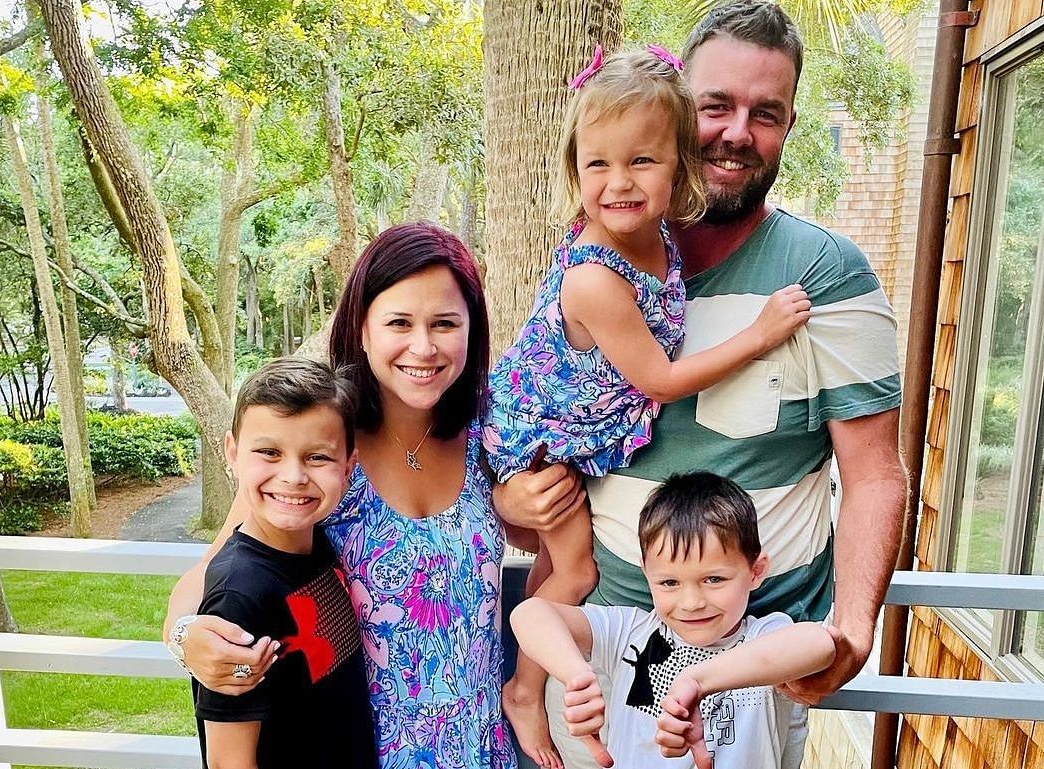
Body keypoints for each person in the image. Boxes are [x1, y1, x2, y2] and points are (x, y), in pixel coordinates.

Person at [495, 3, 907, 768]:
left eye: (767, 113)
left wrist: (850, 630)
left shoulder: (827, 275)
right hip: (598, 658)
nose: (736, 132)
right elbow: (553, 417)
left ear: (789, 124)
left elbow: (877, 473)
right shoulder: (610, 256)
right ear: (681, 110)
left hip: (751, 668)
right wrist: (509, 501)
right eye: (716, 105)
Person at [164, 223, 517, 769]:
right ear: (363, 329)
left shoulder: (487, 434)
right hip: (349, 748)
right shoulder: (320, 447)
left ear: (472, 331)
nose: (422, 346)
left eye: (445, 323)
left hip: (477, 747)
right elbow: (214, 571)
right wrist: (188, 638)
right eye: (399, 322)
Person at [512, 473, 835, 769]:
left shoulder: (764, 638)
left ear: (756, 571)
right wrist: (576, 675)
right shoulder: (629, 633)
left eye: (714, 579)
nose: (692, 603)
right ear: (646, 573)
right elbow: (532, 613)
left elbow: (819, 644)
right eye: (669, 583)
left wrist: (697, 681)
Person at [188, 356, 376, 769]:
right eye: (269, 452)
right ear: (232, 453)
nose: (293, 476)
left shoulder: (322, 547)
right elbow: (228, 762)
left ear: (349, 465)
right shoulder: (239, 596)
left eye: (317, 457)